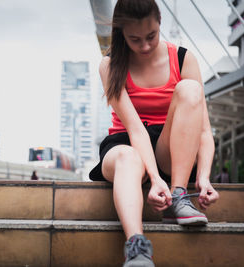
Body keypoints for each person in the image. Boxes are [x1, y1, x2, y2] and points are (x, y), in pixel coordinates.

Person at [88, 1, 219, 266]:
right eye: (135, 39)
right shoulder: (110, 64)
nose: (145, 46)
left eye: (151, 36)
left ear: (160, 22)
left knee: (191, 90)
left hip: (170, 146)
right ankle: (137, 247)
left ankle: (179, 195)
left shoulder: (183, 58)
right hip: (125, 143)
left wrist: (203, 178)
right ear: (121, 33)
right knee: (128, 158)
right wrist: (156, 179)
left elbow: (203, 130)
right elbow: (136, 130)